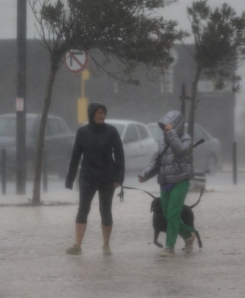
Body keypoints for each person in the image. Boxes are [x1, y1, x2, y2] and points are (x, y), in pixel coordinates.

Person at [65, 102, 125, 256]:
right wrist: (70, 178)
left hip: (107, 178)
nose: (102, 116)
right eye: (98, 113)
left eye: (103, 113)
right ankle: (77, 245)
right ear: (92, 114)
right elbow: (76, 155)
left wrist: (119, 177)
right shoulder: (82, 132)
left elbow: (119, 155)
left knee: (105, 211)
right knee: (83, 209)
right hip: (88, 177)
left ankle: (106, 245)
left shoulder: (111, 131)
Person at [138, 110, 196, 257]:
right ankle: (189, 235)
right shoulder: (162, 141)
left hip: (180, 181)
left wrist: (171, 134)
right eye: (163, 126)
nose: (165, 129)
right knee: (167, 214)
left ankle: (169, 247)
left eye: (168, 126)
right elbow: (158, 162)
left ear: (176, 126)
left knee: (173, 214)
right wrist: (145, 174)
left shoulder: (186, 139)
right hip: (165, 183)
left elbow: (180, 151)